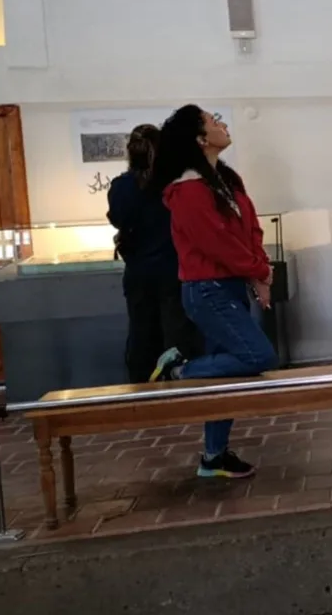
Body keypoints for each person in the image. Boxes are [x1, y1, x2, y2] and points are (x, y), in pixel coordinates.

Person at [148, 105, 278, 479]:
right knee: (259, 356)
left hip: (229, 285)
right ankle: (178, 370)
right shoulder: (187, 189)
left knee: (226, 377)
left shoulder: (224, 179)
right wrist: (258, 270)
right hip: (208, 290)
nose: (222, 123)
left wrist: (260, 271)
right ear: (200, 139)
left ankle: (213, 457)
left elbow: (250, 229)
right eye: (212, 120)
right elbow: (215, 243)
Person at [106, 124, 201, 383]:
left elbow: (117, 219)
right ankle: (178, 386)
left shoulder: (121, 186)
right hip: (174, 269)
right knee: (177, 335)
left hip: (138, 272)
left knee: (141, 335)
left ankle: (141, 390)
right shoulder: (173, 185)